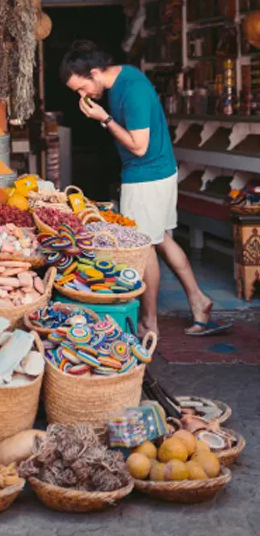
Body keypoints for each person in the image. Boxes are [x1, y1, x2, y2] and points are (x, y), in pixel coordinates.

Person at [60, 39, 232, 337]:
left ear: (95, 73)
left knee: (142, 247)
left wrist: (105, 119)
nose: (82, 95)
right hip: (158, 171)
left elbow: (139, 147)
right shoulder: (123, 79)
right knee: (161, 239)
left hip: (146, 175)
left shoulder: (132, 91)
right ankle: (199, 300)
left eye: (81, 88)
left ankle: (149, 322)